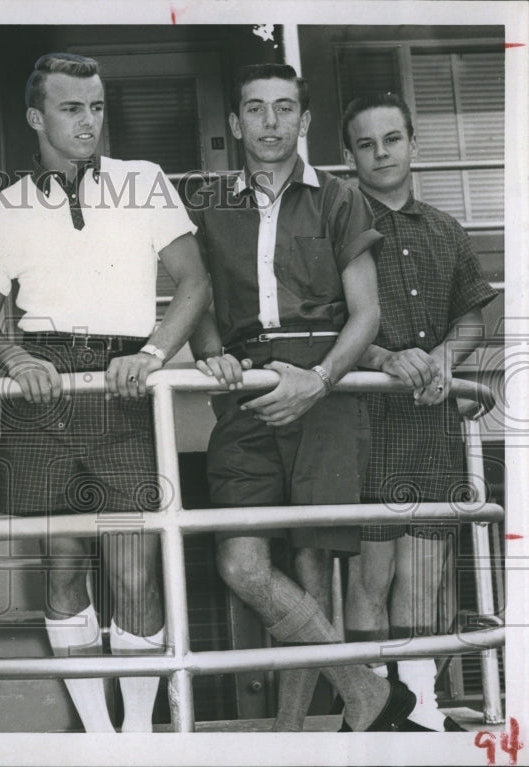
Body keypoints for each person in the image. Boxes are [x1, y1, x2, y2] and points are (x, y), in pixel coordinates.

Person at [0, 52, 212, 733]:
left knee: (135, 566)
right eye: (72, 107)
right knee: (63, 559)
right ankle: (98, 735)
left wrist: (156, 352)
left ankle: (137, 733)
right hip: (43, 386)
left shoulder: (146, 181)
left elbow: (194, 283)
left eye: (97, 107)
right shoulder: (5, 207)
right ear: (35, 116)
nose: (88, 121)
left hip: (124, 381)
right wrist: (16, 356)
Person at [187, 63, 421, 732]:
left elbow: (367, 313)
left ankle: (290, 738)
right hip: (249, 387)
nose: (270, 122)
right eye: (255, 108)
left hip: (325, 381)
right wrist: (213, 355)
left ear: (305, 120)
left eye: (284, 107)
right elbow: (196, 296)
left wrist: (318, 381)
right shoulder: (209, 202)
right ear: (235, 122)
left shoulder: (340, 199)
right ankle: (367, 692)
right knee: (242, 562)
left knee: (313, 562)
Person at [340, 92, 498, 732]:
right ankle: (374, 706)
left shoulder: (447, 228)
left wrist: (439, 358)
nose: (382, 153)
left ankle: (424, 704)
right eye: (366, 144)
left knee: (426, 569)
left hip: (430, 417)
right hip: (367, 422)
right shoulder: (341, 226)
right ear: (349, 155)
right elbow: (328, 321)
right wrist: (383, 357)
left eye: (392, 139)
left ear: (413, 143)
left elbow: (471, 316)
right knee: (370, 570)